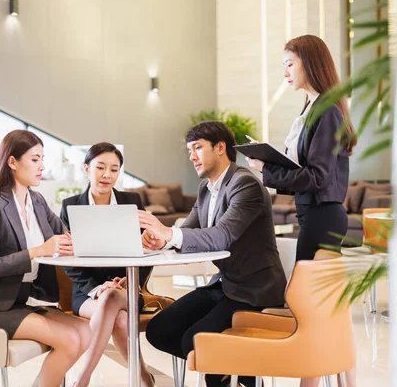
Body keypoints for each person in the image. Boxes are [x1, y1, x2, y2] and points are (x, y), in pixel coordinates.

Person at [246, 34, 358, 387]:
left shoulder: (326, 110)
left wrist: (268, 171)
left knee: (310, 308)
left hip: (323, 216)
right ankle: (344, 381)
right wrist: (272, 169)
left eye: (289, 63)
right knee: (323, 307)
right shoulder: (314, 107)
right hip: (317, 215)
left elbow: (318, 176)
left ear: (310, 62)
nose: (285, 73)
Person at [138, 121, 287, 387]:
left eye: (197, 148)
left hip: (255, 289)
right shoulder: (207, 188)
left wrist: (168, 233)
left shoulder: (246, 185)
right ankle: (242, 375)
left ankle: (233, 376)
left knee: (195, 340)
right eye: (189, 150)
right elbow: (190, 227)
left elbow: (221, 236)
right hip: (225, 284)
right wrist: (161, 240)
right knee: (159, 331)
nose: (192, 156)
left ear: (220, 148)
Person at [0, 130, 91, 387]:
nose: (42, 166)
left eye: (42, 159)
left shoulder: (37, 201)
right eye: (34, 159)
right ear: (12, 162)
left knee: (85, 332)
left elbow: (65, 237)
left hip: (26, 300)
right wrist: (38, 251)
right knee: (70, 340)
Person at [60, 142, 154, 387]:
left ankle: (82, 380)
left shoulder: (131, 201)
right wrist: (95, 288)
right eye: (100, 167)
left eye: (113, 169)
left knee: (113, 297)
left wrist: (130, 279)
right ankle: (145, 378)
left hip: (128, 288)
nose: (106, 175)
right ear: (86, 168)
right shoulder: (71, 206)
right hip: (87, 293)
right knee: (119, 318)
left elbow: (146, 250)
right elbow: (69, 259)